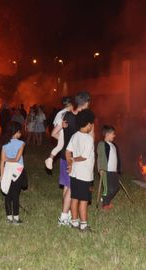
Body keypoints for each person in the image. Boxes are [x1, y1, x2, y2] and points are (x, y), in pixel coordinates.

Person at [57, 91, 91, 226]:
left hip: (66, 155)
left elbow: (59, 133)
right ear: (86, 103)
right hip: (74, 157)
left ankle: (69, 214)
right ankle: (64, 217)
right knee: (72, 188)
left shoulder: (68, 115)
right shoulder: (82, 119)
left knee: (67, 187)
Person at [66, 109, 95, 231]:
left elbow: (67, 151)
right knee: (83, 200)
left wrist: (70, 163)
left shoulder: (74, 135)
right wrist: (72, 160)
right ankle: (83, 225)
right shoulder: (88, 139)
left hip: (75, 173)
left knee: (74, 198)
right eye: (91, 124)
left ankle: (74, 222)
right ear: (88, 124)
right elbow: (83, 157)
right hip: (84, 175)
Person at [0, 122, 27, 224]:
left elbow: (2, 161)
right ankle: (16, 218)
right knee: (15, 195)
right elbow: (17, 159)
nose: (21, 134)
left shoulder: (5, 144)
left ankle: (9, 218)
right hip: (18, 170)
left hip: (7, 169)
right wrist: (10, 159)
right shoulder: (21, 143)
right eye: (20, 131)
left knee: (7, 194)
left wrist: (1, 175)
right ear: (17, 132)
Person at [97, 125, 121, 210]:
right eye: (113, 134)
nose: (114, 135)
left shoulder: (113, 145)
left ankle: (106, 199)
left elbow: (116, 158)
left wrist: (118, 169)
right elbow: (100, 157)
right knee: (108, 189)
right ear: (107, 134)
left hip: (113, 171)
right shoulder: (102, 144)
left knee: (116, 187)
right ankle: (105, 204)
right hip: (106, 170)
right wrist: (100, 168)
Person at [45, 96, 73, 170]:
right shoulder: (65, 113)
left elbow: (55, 125)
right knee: (60, 146)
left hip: (61, 132)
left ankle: (50, 159)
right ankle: (50, 159)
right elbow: (57, 126)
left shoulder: (60, 112)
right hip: (62, 131)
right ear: (70, 105)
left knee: (61, 145)